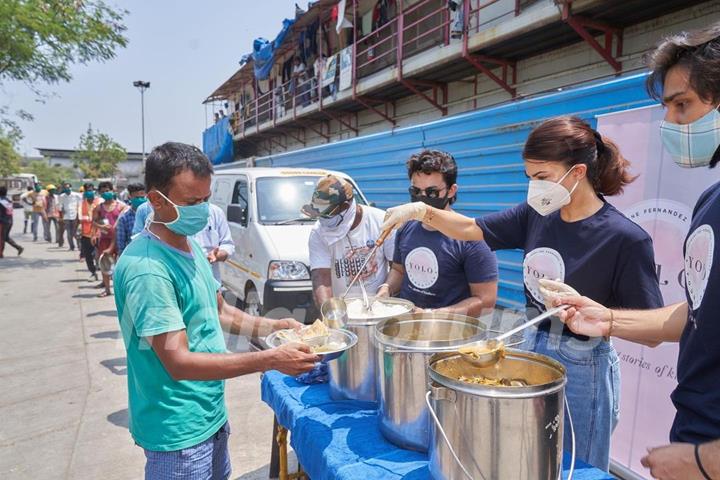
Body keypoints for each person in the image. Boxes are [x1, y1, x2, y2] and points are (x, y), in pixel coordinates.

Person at [382, 116, 664, 471]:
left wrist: (602, 319)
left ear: (577, 172)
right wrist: (423, 211)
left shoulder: (625, 238)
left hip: (583, 363)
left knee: (578, 466)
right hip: (529, 348)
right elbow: (471, 228)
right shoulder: (537, 215)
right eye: (529, 177)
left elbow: (654, 331)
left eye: (542, 177)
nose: (534, 187)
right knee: (526, 460)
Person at [551, 23, 720, 480]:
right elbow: (700, 313)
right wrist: (605, 318)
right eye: (666, 107)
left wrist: (707, 461)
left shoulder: (624, 235)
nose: (671, 122)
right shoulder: (712, 199)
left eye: (683, 104)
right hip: (695, 431)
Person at [114, 142, 318, 479]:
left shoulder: (188, 242)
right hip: (177, 433)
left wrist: (273, 326)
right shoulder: (148, 269)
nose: (203, 211)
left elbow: (219, 311)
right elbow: (177, 361)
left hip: (209, 414)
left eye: (206, 200)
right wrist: (270, 359)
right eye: (191, 203)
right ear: (155, 200)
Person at [376, 150, 498, 316]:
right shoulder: (406, 227)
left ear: (452, 190)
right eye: (416, 192)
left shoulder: (471, 238)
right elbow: (398, 270)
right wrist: (387, 288)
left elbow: (486, 301)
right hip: (404, 329)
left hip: (448, 335)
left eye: (432, 192)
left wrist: (433, 315)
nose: (422, 199)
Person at [303, 174, 396, 308]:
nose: (322, 220)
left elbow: (397, 268)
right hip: (343, 310)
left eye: (327, 214)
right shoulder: (319, 232)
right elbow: (321, 278)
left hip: (380, 308)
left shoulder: (381, 222)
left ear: (346, 206)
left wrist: (386, 290)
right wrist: (331, 313)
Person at [93, 181, 126, 297]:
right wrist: (100, 227)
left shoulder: (121, 206)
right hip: (105, 239)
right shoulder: (99, 208)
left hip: (120, 239)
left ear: (113, 191)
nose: (105, 193)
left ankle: (122, 290)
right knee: (105, 265)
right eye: (102, 192)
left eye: (107, 191)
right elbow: (94, 222)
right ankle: (107, 289)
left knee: (122, 265)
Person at [193, 203, 235, 284]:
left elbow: (228, 245)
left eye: (205, 198)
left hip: (211, 281)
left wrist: (217, 255)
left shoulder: (215, 212)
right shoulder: (177, 213)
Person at [115, 183, 147, 256]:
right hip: (133, 256)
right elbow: (121, 244)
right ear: (130, 197)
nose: (140, 200)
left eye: (142, 197)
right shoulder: (124, 218)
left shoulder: (153, 215)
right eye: (137, 197)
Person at [79, 183, 100, 281]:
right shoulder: (81, 204)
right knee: (88, 255)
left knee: (101, 253)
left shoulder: (100, 202)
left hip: (99, 233)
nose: (89, 192)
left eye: (91, 190)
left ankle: (107, 274)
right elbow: (78, 218)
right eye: (87, 190)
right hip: (86, 233)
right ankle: (93, 272)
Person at [58, 182, 82, 251]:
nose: (67, 189)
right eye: (65, 188)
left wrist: (79, 216)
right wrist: (61, 215)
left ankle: (79, 245)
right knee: (68, 233)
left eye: (68, 187)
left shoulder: (76, 195)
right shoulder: (62, 196)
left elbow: (80, 204)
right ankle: (71, 246)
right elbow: (60, 206)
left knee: (75, 233)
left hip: (75, 216)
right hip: (66, 217)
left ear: (71, 188)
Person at [0, 186, 23, 258]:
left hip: (2, 222)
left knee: (1, 238)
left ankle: (0, 253)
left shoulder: (0, 201)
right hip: (9, 221)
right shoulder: (8, 201)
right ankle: (19, 248)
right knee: (5, 237)